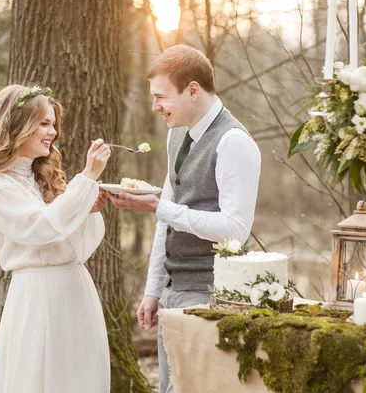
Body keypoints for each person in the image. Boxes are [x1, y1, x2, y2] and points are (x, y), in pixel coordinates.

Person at [107, 45, 261, 392]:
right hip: (173, 293)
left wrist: (158, 207)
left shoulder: (234, 142)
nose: (154, 107)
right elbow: (168, 219)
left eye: (161, 96)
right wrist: (153, 291)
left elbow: (236, 230)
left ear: (193, 90)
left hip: (213, 294)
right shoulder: (177, 133)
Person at [0, 85, 111, 392]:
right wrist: (87, 179)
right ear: (17, 125)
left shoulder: (38, 177)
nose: (52, 132)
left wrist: (86, 209)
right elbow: (41, 230)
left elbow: (75, 243)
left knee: (79, 376)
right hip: (39, 296)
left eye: (53, 124)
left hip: (75, 288)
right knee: (40, 376)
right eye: (44, 123)